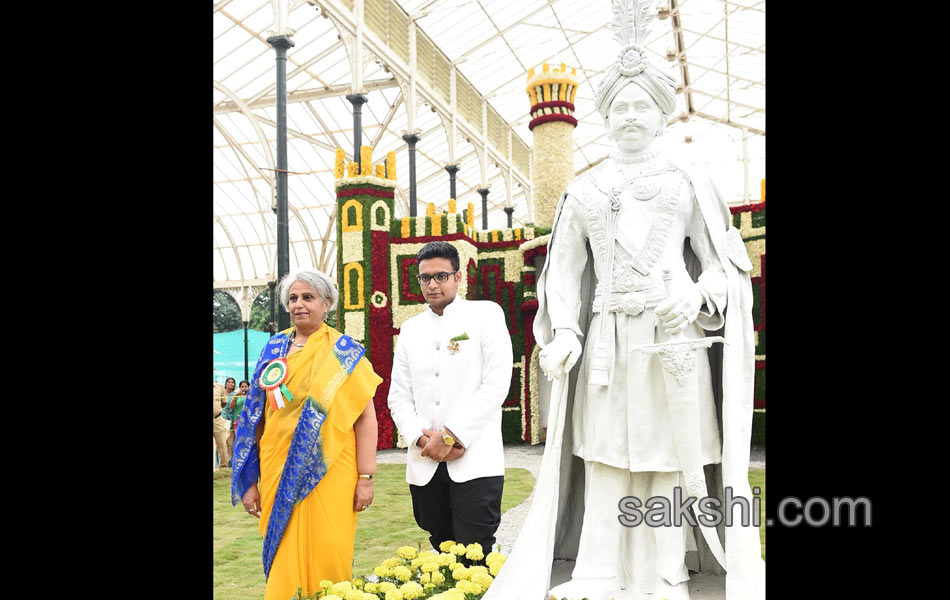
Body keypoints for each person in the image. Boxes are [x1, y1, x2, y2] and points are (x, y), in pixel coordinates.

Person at [482, 2, 764, 599]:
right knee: (605, 457)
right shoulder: (584, 192)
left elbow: (724, 268)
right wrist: (565, 335)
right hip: (608, 342)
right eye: (620, 107)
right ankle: (597, 570)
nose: (631, 116)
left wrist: (696, 295)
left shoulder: (689, 183)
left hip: (673, 344)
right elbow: (563, 275)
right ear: (605, 118)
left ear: (661, 116)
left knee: (666, 459)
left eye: (642, 106)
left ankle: (668, 572)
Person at [230, 267, 382, 599]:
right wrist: (249, 481)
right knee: (284, 549)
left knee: (330, 545)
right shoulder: (273, 349)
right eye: (293, 298)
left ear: (327, 303)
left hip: (332, 469)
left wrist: (365, 477)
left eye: (308, 297)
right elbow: (256, 416)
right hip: (275, 467)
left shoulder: (345, 353)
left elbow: (366, 419)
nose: (299, 304)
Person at [387, 241, 513, 559]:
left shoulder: (485, 315)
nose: (432, 284)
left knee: (475, 551)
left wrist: (450, 435)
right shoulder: (411, 330)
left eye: (441, 276)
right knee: (441, 549)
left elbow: (496, 385)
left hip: (475, 458)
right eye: (425, 278)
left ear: (458, 277)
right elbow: (398, 397)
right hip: (425, 459)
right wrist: (420, 438)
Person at [223, 379, 249, 466]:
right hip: (237, 421)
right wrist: (236, 396)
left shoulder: (250, 396)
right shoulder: (236, 395)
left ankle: (246, 460)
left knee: (247, 440)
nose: (244, 388)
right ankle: (237, 461)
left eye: (246, 386)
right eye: (242, 387)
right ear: (239, 387)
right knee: (238, 440)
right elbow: (231, 407)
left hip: (248, 421)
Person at [213, 379, 230, 471]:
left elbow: (224, 402)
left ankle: (223, 467)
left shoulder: (219, 387)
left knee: (222, 443)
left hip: (217, 419)